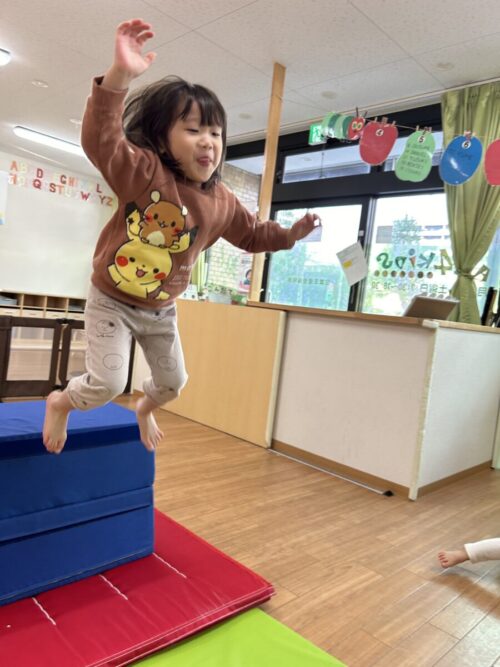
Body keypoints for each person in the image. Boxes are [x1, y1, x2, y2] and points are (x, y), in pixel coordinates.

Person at [42, 18, 320, 454]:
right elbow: (103, 141)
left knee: (174, 383)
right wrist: (119, 77)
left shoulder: (222, 200)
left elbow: (252, 235)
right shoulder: (145, 172)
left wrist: (289, 235)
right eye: (193, 130)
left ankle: (145, 408)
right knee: (107, 384)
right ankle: (60, 402)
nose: (208, 141)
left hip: (160, 310)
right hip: (112, 298)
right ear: (162, 140)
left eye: (215, 133)